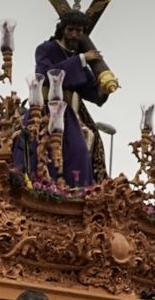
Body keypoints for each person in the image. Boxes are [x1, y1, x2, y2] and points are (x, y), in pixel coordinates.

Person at [18, 10, 111, 187]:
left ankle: (79, 189)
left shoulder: (76, 59)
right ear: (62, 30)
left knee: (83, 149)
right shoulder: (46, 49)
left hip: (72, 113)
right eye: (71, 29)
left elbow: (93, 95)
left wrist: (104, 87)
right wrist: (82, 59)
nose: (74, 34)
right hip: (47, 108)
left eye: (79, 31)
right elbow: (46, 73)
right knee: (37, 148)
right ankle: (42, 185)